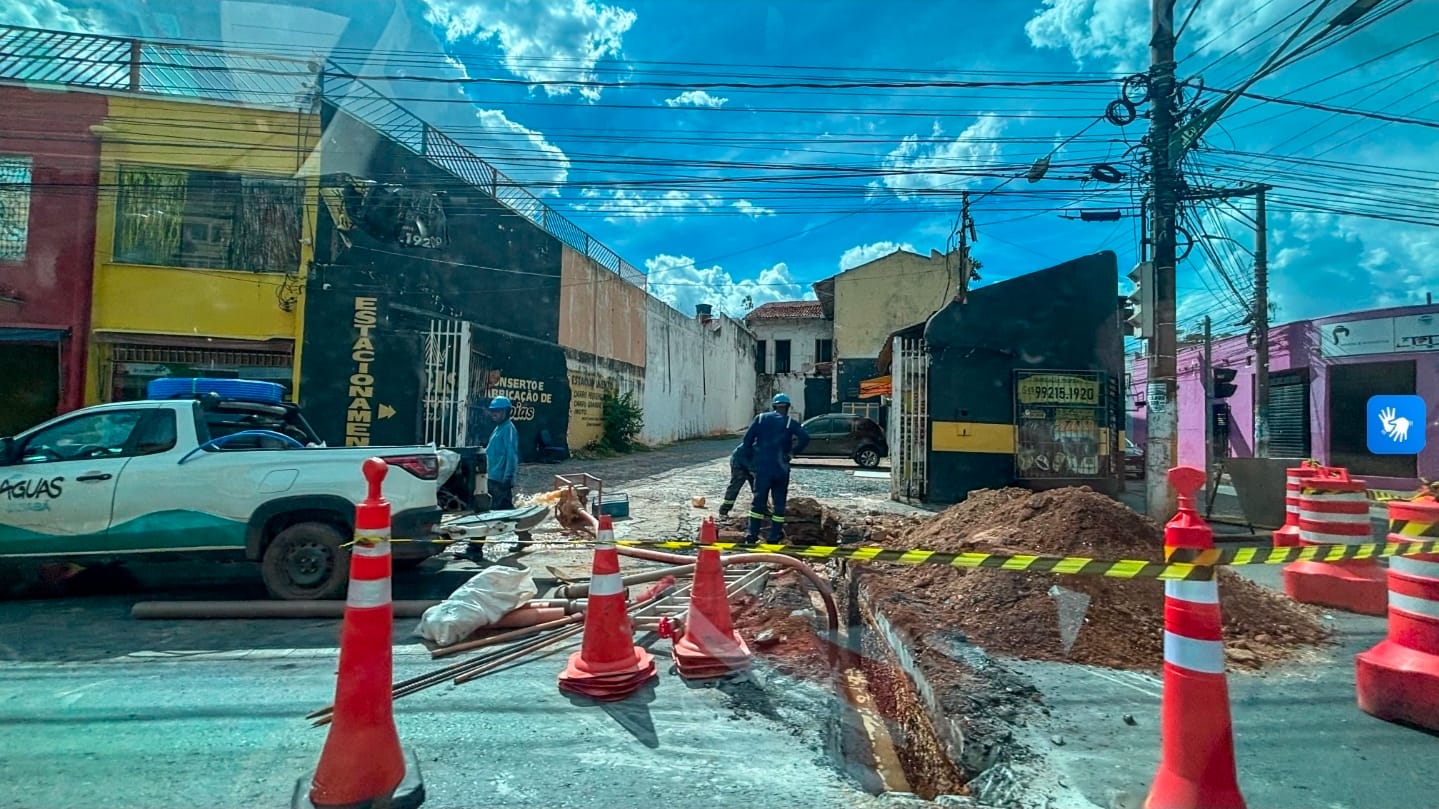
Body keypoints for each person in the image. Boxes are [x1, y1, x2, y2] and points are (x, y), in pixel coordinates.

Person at [741, 393, 809, 544]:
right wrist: (792, 453)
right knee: (779, 503)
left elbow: (747, 441)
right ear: (787, 407)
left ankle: (752, 536)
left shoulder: (760, 419)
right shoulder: (789, 422)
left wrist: (750, 461)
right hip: (781, 469)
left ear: (773, 406)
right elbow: (805, 437)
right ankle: (774, 536)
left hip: (763, 468)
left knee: (758, 501)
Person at [485, 395, 520, 511]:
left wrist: (508, 478)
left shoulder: (508, 429)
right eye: (492, 411)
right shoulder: (498, 428)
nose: (494, 414)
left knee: (503, 511)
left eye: (497, 411)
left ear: (506, 412)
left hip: (500, 480)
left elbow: (512, 455)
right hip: (492, 477)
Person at [718, 441, 755, 518]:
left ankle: (762, 508)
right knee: (735, 486)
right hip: (739, 463)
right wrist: (753, 470)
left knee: (757, 487)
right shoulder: (758, 444)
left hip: (751, 463)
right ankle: (724, 510)